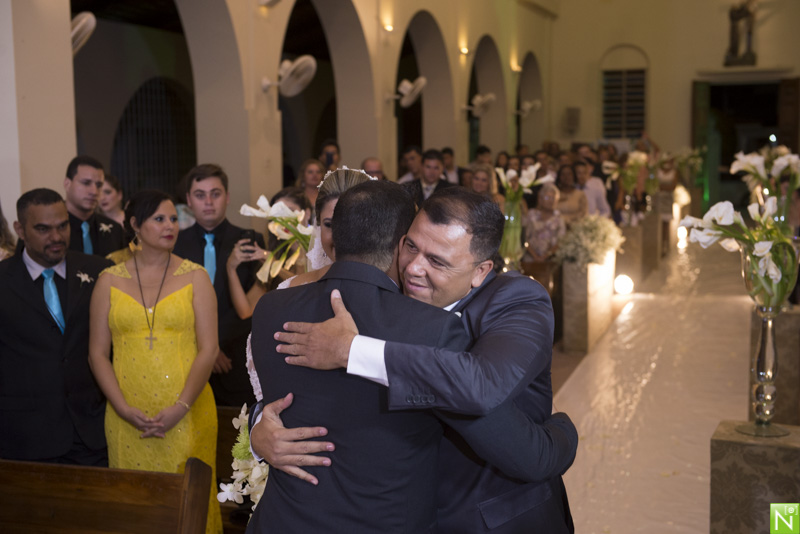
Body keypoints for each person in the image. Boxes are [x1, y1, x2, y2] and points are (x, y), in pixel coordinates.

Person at [247, 181, 577, 533]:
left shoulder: (517, 299)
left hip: (489, 516)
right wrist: (260, 430)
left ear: (480, 271)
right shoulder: (388, 299)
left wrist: (351, 350)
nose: (413, 268)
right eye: (410, 247)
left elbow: (481, 388)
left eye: (437, 261)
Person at [88, 190, 221, 533]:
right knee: (134, 509)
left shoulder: (196, 277)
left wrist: (181, 406)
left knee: (189, 512)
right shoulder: (108, 280)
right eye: (159, 219)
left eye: (174, 219)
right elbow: (97, 354)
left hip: (187, 415)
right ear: (134, 225)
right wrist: (120, 407)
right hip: (126, 417)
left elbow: (209, 349)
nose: (170, 226)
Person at [0, 188, 111, 465]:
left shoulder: (100, 272)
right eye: (43, 229)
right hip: (24, 437)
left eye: (63, 226)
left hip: (92, 433)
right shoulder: (2, 280)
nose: (56, 237)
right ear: (20, 229)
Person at [173, 164, 264, 407]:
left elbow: (253, 305)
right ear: (189, 201)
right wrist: (206, 350)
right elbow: (173, 304)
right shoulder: (175, 245)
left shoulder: (250, 239)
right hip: (188, 360)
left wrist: (216, 346)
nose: (208, 202)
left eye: (216, 193)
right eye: (200, 195)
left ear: (227, 196)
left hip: (236, 359)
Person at [64, 156, 125, 257]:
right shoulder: (53, 230)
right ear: (67, 184)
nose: (94, 191)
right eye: (86, 183)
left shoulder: (115, 231)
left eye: (99, 185)